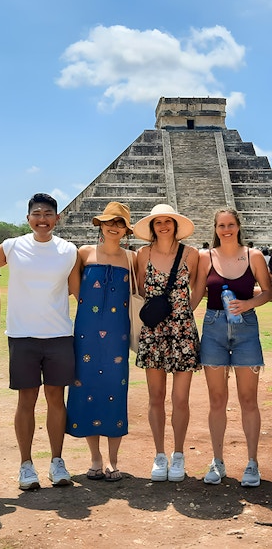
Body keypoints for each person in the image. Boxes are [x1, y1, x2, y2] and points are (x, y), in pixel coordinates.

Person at [0, 193, 80, 490]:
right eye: (37, 214)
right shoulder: (12, 247)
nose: (43, 219)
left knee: (56, 400)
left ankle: (57, 461)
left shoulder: (68, 251)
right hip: (23, 337)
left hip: (59, 335)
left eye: (48, 214)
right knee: (26, 401)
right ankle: (26, 464)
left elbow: (79, 293)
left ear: (57, 219)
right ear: (28, 219)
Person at [191, 208, 271, 487]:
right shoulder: (205, 257)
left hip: (246, 328)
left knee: (249, 400)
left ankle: (252, 462)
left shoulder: (254, 256)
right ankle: (217, 460)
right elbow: (198, 293)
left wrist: (249, 303)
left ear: (238, 226)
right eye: (221, 225)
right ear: (215, 228)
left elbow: (268, 291)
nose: (226, 230)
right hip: (213, 328)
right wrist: (175, 317)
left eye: (231, 225)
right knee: (217, 400)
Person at [66, 202, 136, 481]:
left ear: (126, 230)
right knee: (86, 389)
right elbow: (74, 287)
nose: (114, 227)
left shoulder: (132, 258)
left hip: (117, 333)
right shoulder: (83, 253)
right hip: (86, 332)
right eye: (109, 221)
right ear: (100, 224)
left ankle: (113, 460)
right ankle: (95, 458)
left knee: (115, 390)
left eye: (120, 223)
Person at [133, 204, 199, 482]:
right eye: (157, 222)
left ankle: (179, 454)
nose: (162, 226)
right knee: (156, 397)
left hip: (182, 331)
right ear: (152, 227)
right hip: (153, 333)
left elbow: (198, 289)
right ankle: (160, 454)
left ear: (175, 225)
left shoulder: (192, 255)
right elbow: (138, 290)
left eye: (167, 222)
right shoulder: (142, 254)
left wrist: (183, 313)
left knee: (180, 399)